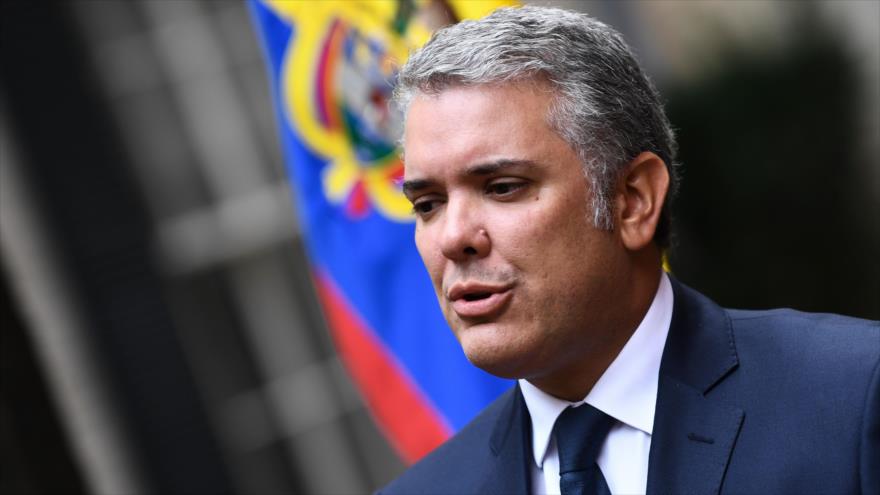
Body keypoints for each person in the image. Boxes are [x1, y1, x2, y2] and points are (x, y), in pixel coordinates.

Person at [380, 6, 879, 495]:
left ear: (633, 201)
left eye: (503, 187)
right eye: (427, 204)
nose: (452, 237)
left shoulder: (851, 396)